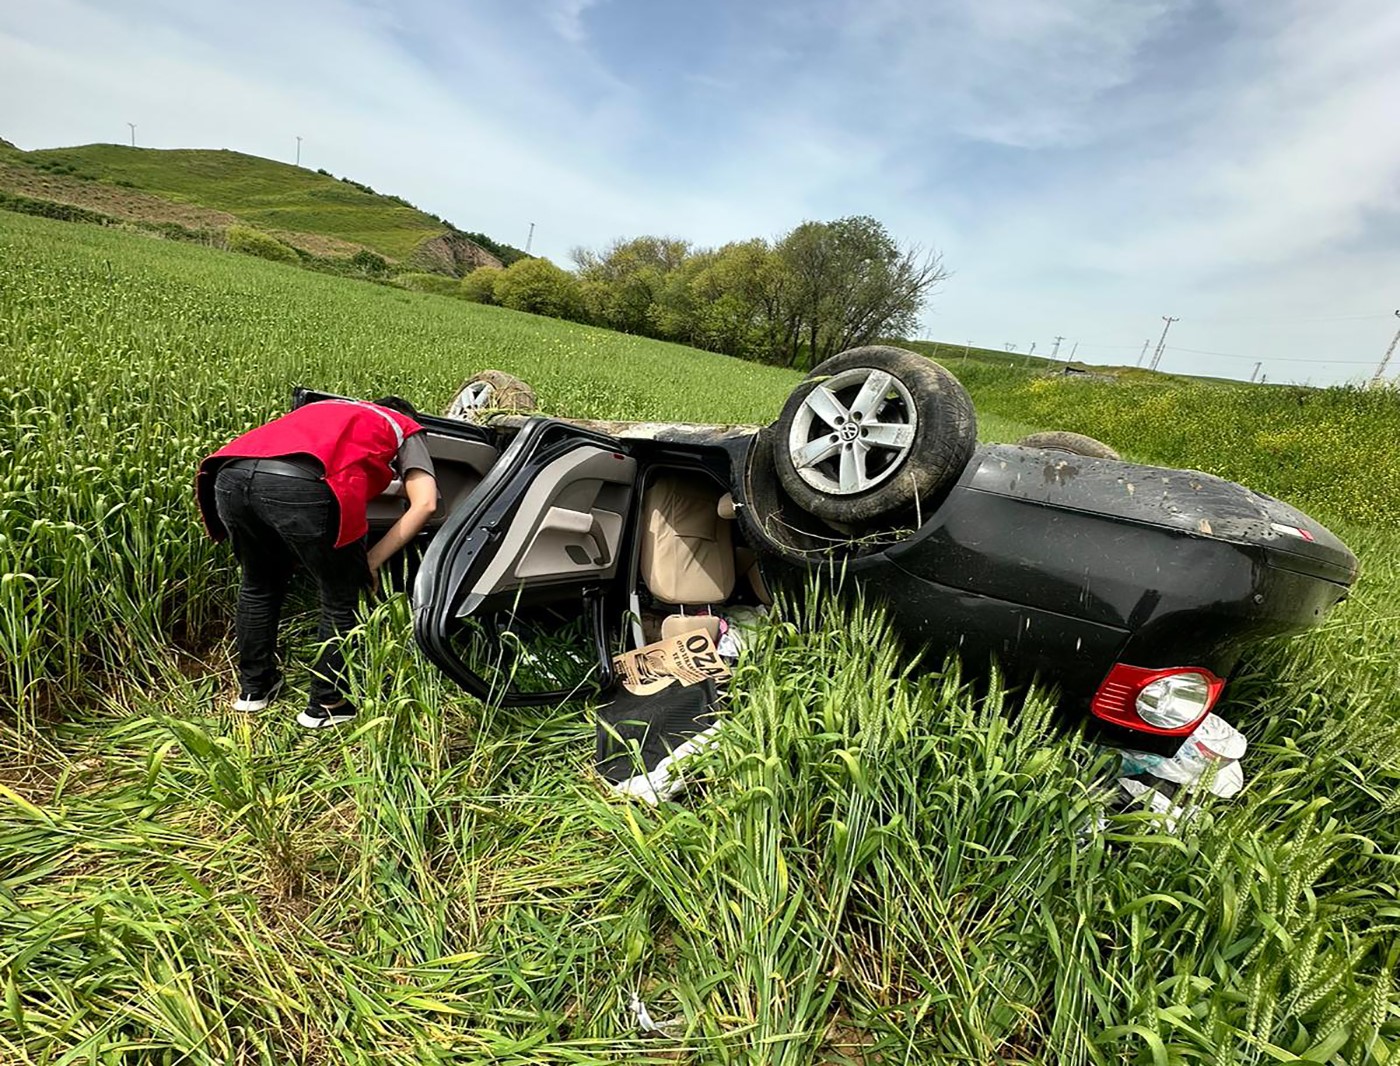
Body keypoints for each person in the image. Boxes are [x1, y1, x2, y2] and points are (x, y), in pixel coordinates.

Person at [195, 396, 438, 728]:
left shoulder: (327, 410)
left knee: (258, 585)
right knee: (341, 598)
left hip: (229, 476)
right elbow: (425, 503)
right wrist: (371, 560)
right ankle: (326, 704)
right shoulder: (404, 425)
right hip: (301, 484)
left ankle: (254, 690)